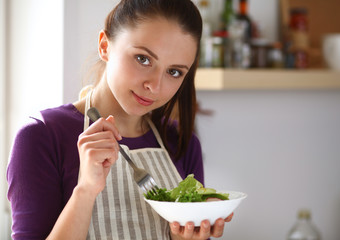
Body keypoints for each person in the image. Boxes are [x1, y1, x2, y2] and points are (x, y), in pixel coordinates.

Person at [7, 0, 233, 239]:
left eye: (174, 72)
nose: (154, 87)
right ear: (105, 46)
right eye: (143, 59)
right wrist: (85, 191)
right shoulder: (42, 137)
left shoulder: (182, 143)